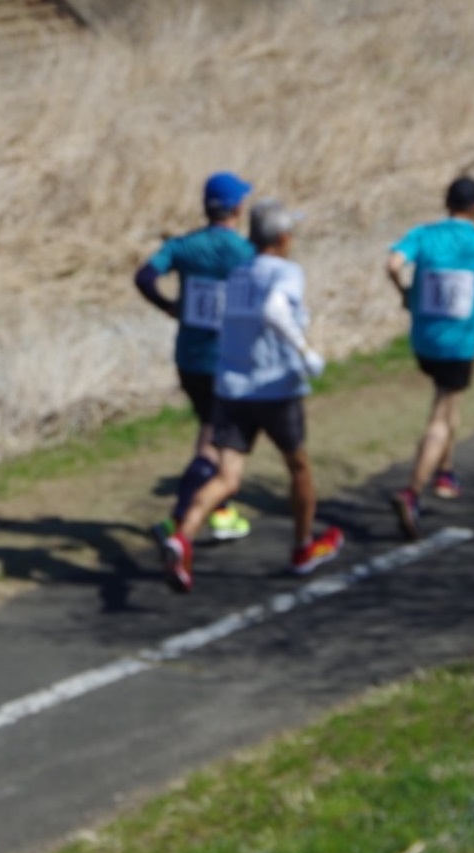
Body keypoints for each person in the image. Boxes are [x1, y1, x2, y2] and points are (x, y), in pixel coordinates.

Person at [161, 199, 344, 593]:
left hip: (231, 388)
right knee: (298, 468)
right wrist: (304, 351)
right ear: (282, 238)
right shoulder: (286, 272)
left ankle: (183, 536)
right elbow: (276, 310)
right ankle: (301, 547)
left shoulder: (237, 273)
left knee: (227, 477)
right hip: (275, 388)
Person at [134, 171, 258, 546]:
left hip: (189, 358)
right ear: (238, 207)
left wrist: (169, 306)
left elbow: (144, 276)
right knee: (216, 441)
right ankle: (178, 522)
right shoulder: (245, 252)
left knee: (213, 433)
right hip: (228, 360)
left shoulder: (184, 246)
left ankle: (221, 509)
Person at [386, 176, 474, 540]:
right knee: (440, 417)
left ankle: (446, 473)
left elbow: (393, 263)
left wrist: (406, 294)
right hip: (459, 344)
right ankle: (411, 493)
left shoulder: (423, 234)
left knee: (449, 399)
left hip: (424, 340)